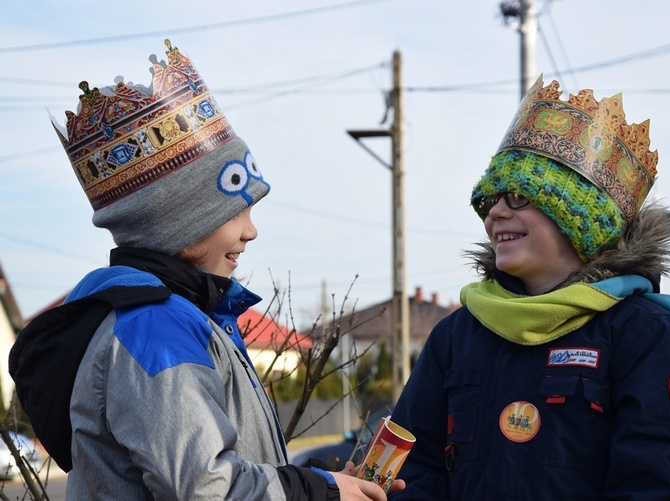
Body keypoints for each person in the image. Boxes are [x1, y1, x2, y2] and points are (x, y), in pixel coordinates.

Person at [9, 40, 403, 501]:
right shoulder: (153, 328)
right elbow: (206, 487)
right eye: (236, 211)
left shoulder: (185, 317)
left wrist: (331, 483)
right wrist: (317, 493)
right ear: (182, 220)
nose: (251, 231)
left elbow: (225, 465)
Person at [388, 76, 670, 500]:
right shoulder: (455, 336)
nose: (495, 215)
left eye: (518, 197)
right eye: (490, 202)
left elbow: (653, 485)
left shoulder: (645, 333)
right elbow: (411, 471)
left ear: (578, 218)